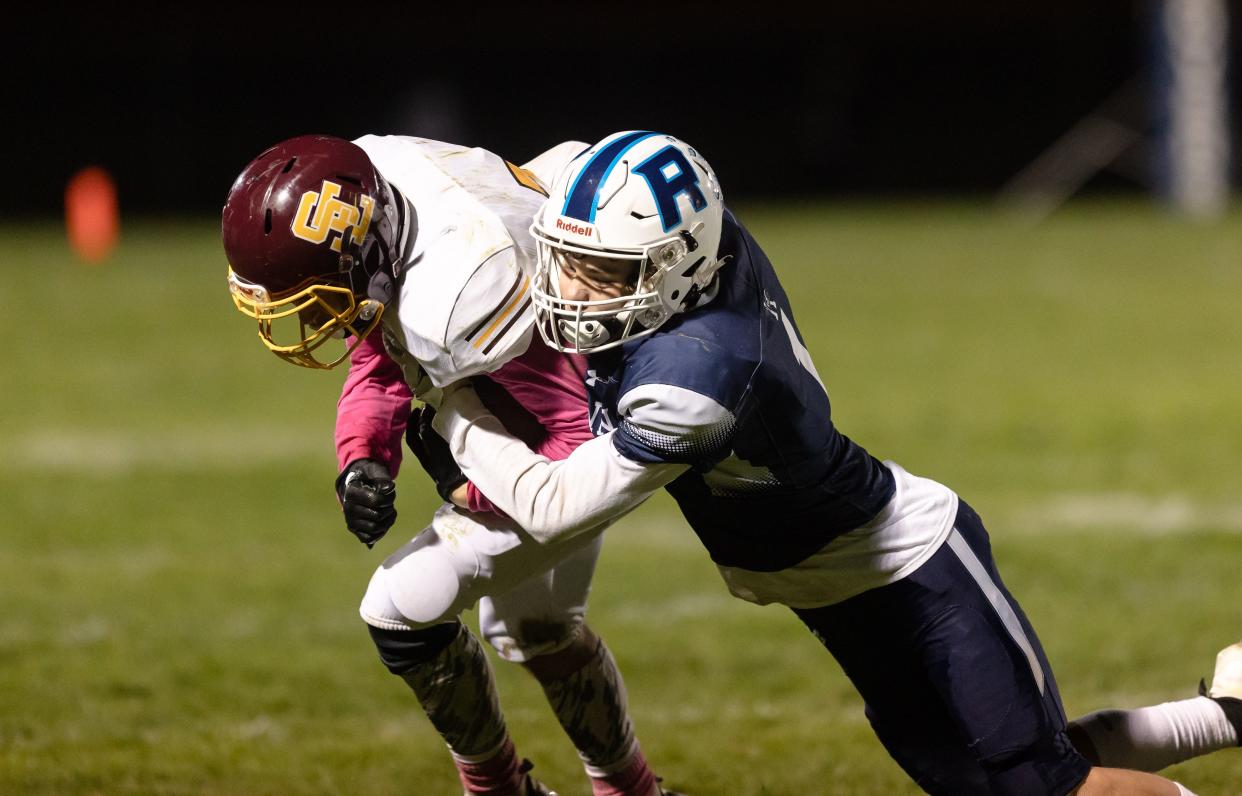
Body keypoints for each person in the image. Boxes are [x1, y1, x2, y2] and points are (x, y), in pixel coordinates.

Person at [424, 130, 1242, 795]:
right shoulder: (701, 253)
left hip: (907, 567)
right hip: (829, 587)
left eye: (604, 272)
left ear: (676, 267)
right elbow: (553, 171)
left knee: (1038, 784)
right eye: (569, 258)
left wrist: (458, 405)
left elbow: (557, 506)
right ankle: (1232, 715)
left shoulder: (696, 375)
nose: (575, 288)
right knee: (993, 781)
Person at [221, 133, 682, 796]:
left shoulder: (466, 290)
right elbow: (381, 352)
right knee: (534, 629)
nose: (309, 321)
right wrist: (363, 457)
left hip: (586, 440)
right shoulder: (382, 185)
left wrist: (468, 484)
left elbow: (581, 445)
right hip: (549, 409)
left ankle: (499, 790)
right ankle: (631, 790)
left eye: (314, 296)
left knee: (400, 608)